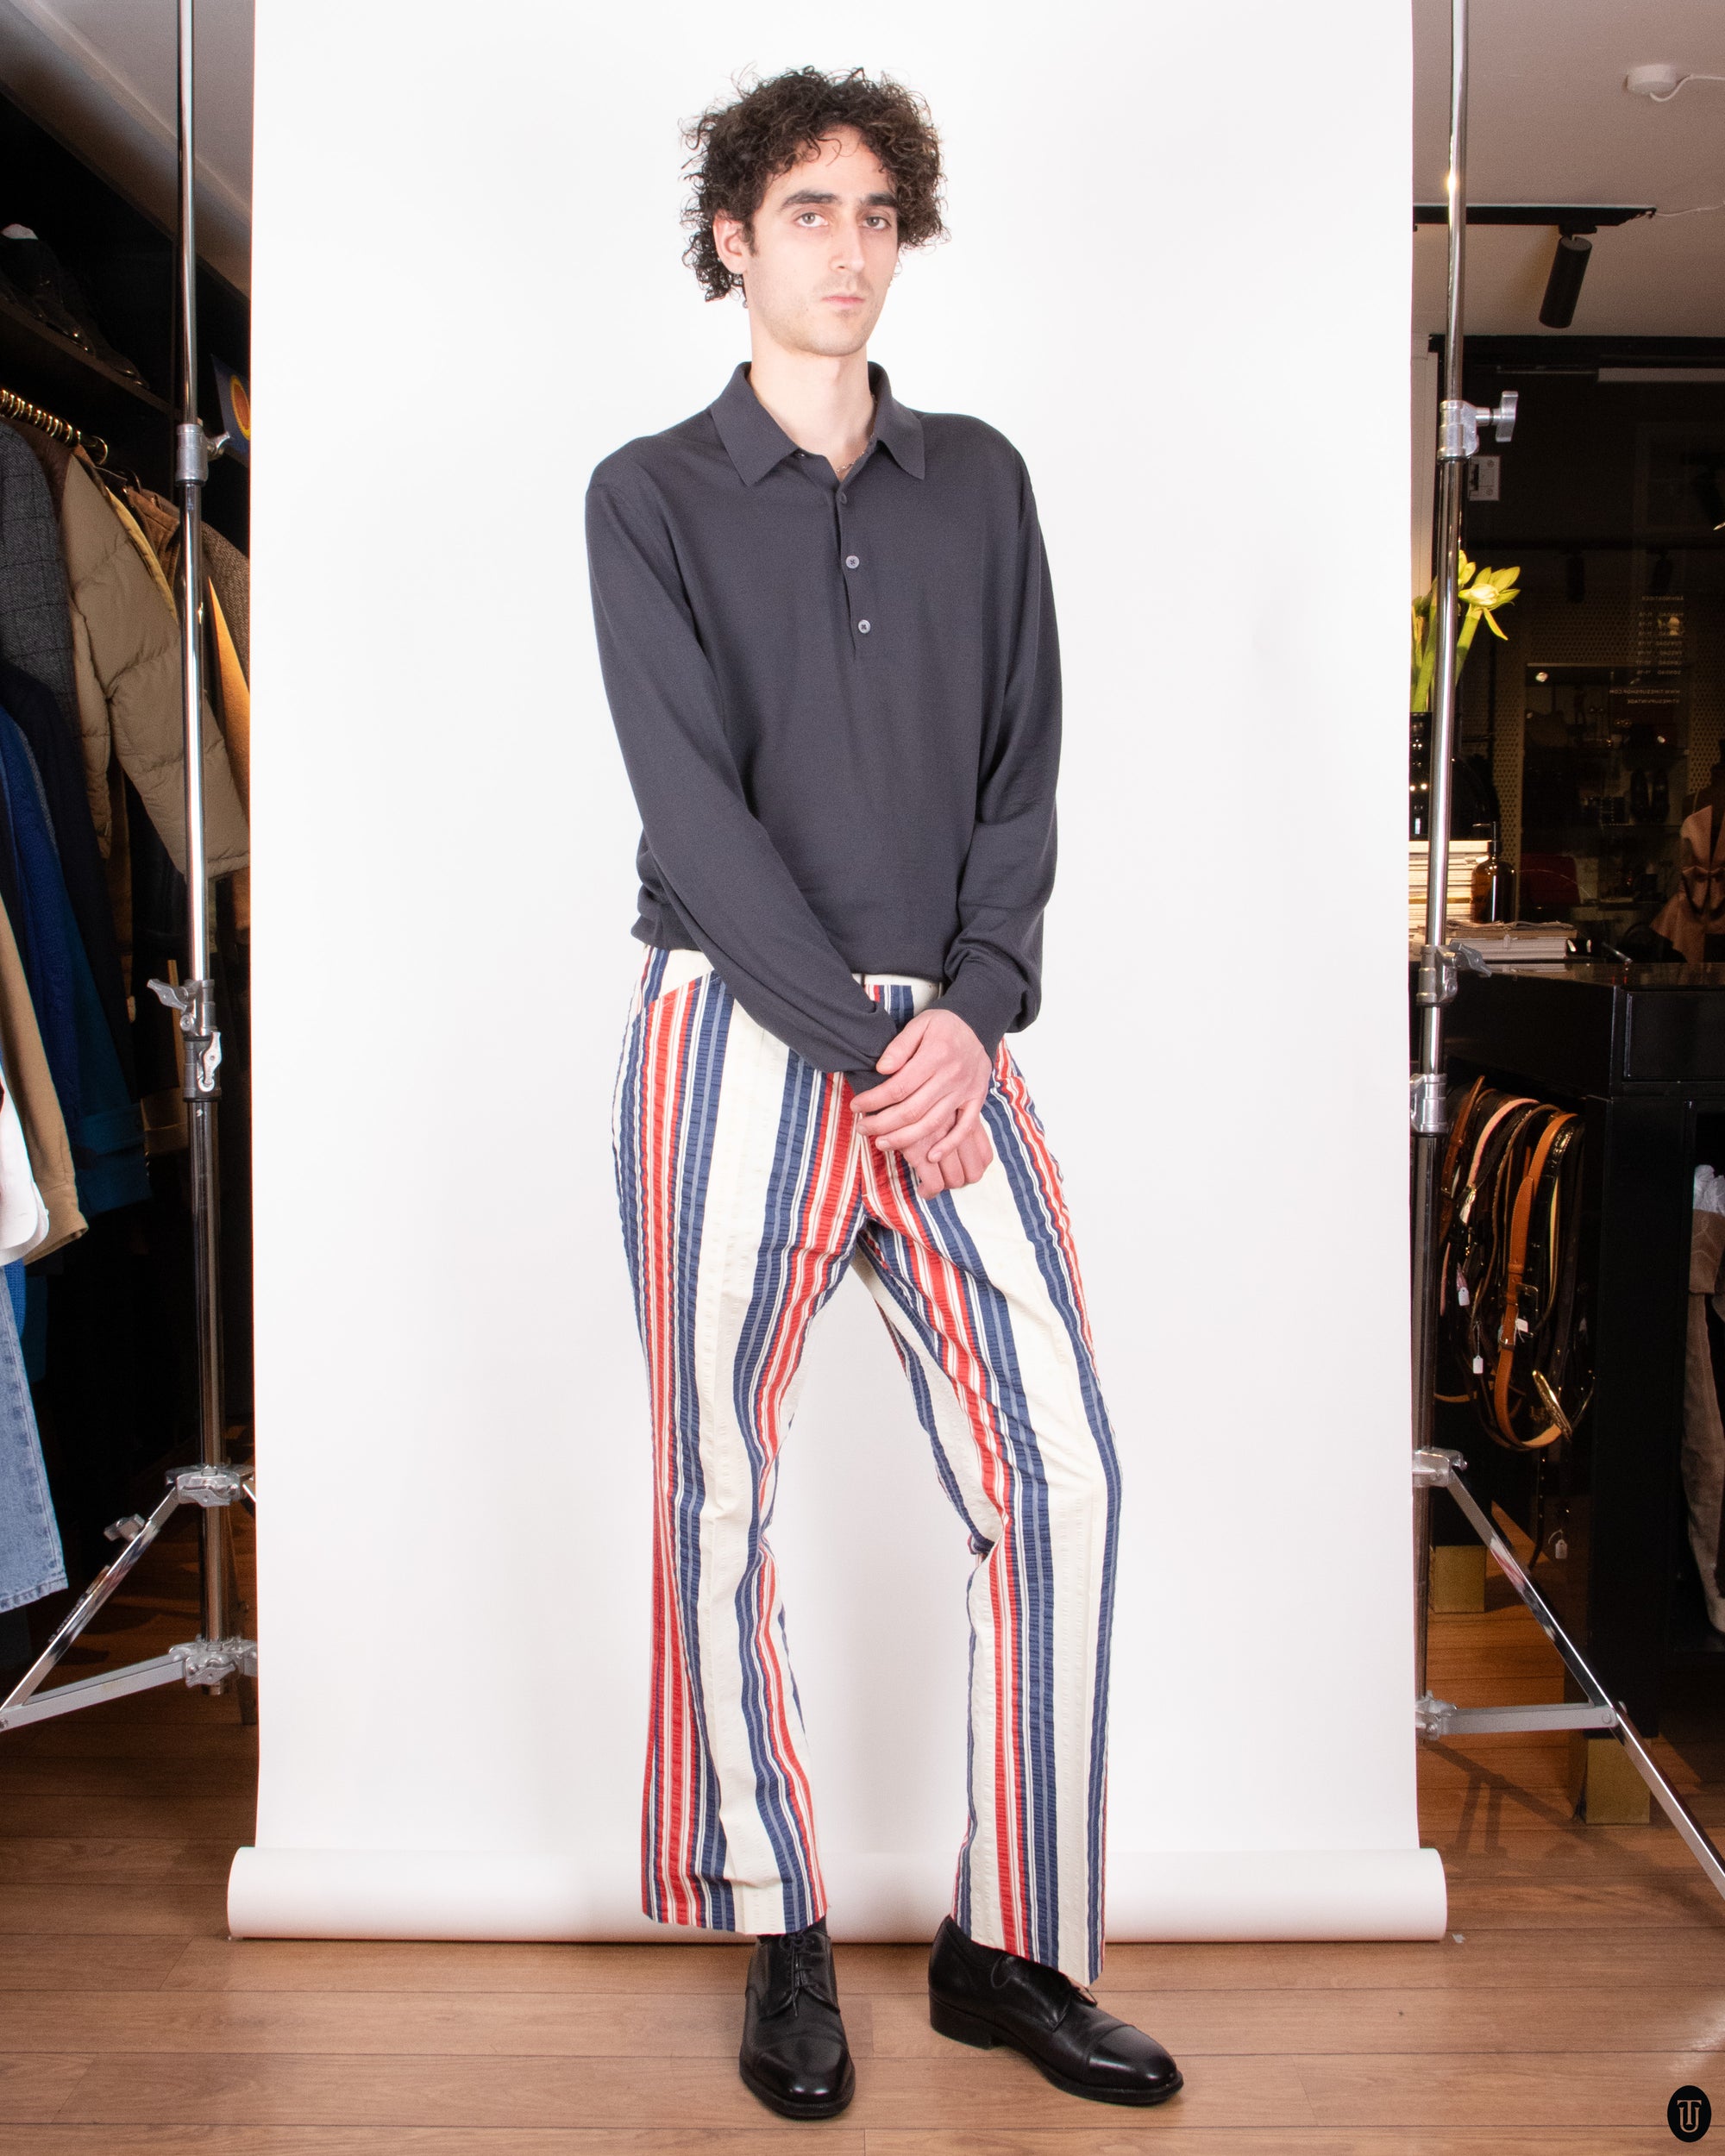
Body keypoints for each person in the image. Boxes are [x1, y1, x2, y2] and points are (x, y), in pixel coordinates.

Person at [586, 65, 1181, 2121]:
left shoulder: (979, 481)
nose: (845, 248)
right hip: (733, 1035)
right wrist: (867, 1045)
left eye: (872, 212)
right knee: (717, 1487)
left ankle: (1004, 1942)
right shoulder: (649, 496)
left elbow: (1023, 770)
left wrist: (978, 1011)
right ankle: (781, 1924)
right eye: (803, 211)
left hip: (951, 1044)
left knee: (1062, 1470)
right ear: (731, 238)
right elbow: (695, 813)